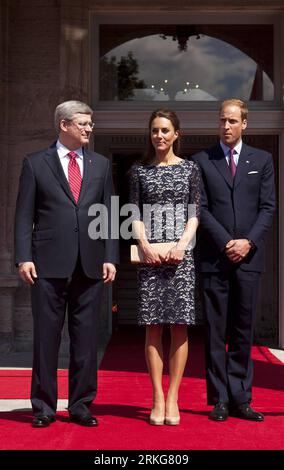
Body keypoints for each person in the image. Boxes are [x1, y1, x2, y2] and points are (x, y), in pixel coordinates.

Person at [14, 100, 118, 428]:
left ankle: (81, 405)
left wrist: (111, 256)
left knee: (86, 339)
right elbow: (23, 216)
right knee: (46, 338)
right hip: (46, 265)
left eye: (90, 123)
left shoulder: (101, 165)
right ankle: (43, 407)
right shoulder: (34, 163)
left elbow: (111, 214)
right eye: (84, 123)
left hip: (90, 264)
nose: (90, 128)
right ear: (64, 125)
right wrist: (23, 256)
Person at [191, 99, 275, 422]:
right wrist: (227, 242)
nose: (226, 126)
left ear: (245, 124)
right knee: (215, 331)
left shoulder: (262, 160)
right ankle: (219, 399)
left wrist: (248, 241)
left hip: (249, 259)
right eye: (222, 120)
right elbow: (202, 209)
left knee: (243, 330)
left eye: (232, 121)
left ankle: (242, 398)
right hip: (215, 258)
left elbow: (268, 207)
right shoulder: (202, 160)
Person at [129, 109, 201, 426]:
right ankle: (157, 397)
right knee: (153, 327)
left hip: (181, 258)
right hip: (150, 258)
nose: (159, 135)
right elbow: (134, 214)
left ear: (176, 135)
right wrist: (144, 245)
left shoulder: (191, 170)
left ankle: (174, 399)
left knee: (180, 327)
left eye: (165, 130)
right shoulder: (139, 171)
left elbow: (194, 213)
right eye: (155, 130)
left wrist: (181, 245)